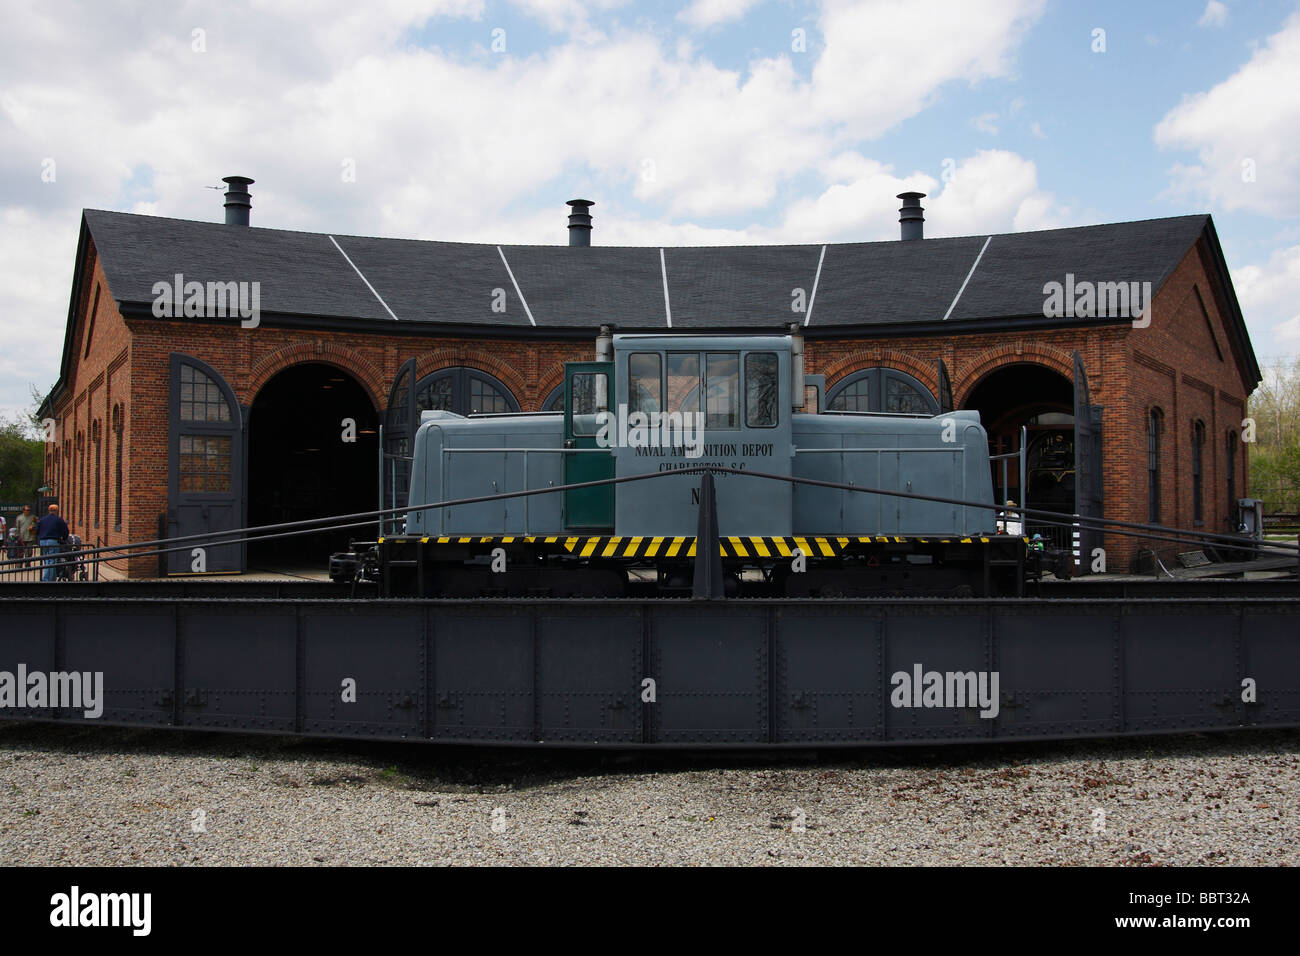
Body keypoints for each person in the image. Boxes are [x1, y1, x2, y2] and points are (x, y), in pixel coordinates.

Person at [36, 504, 69, 583]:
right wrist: (64, 539)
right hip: (53, 541)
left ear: (49, 510)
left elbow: (37, 530)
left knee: (47, 560)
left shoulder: (42, 519)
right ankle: (47, 580)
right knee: (52, 561)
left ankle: (51, 578)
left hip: (43, 541)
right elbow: (65, 531)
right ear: (57, 511)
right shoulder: (59, 520)